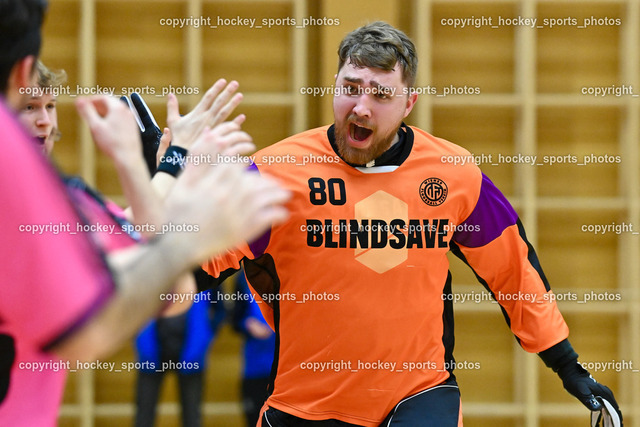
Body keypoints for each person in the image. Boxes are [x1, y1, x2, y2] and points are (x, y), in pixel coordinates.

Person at [201, 21, 622, 426]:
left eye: (381, 94)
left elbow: (513, 271)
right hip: (306, 405)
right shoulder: (275, 173)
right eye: (350, 89)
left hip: (419, 396)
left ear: (409, 103)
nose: (360, 107)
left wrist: (566, 364)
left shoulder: (454, 173)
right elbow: (195, 263)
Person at [0, 1, 290, 425]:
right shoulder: (20, 181)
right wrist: (189, 236)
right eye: (29, 106)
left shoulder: (59, 198)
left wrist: (168, 162)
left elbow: (141, 245)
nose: (44, 121)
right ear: (20, 72)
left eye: (49, 106)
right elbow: (100, 325)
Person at [231, 271, 276, 427]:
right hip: (254, 366)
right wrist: (247, 324)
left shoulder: (292, 269)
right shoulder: (243, 277)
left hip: (285, 369)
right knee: (254, 418)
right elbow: (235, 318)